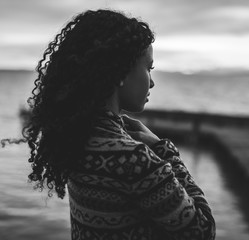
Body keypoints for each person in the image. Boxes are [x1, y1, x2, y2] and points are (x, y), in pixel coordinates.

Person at [20, 9, 216, 240]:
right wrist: (164, 149)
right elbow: (203, 232)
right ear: (120, 71)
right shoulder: (135, 160)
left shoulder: (76, 138)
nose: (152, 82)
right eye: (148, 68)